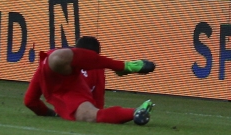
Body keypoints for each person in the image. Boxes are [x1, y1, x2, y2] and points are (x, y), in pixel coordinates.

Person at [23, 36, 157, 125]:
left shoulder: (53, 61)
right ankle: (124, 66)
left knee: (91, 116)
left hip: (70, 95)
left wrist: (51, 114)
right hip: (68, 91)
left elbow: (30, 101)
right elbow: (98, 101)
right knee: (58, 57)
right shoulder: (97, 69)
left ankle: (136, 112)